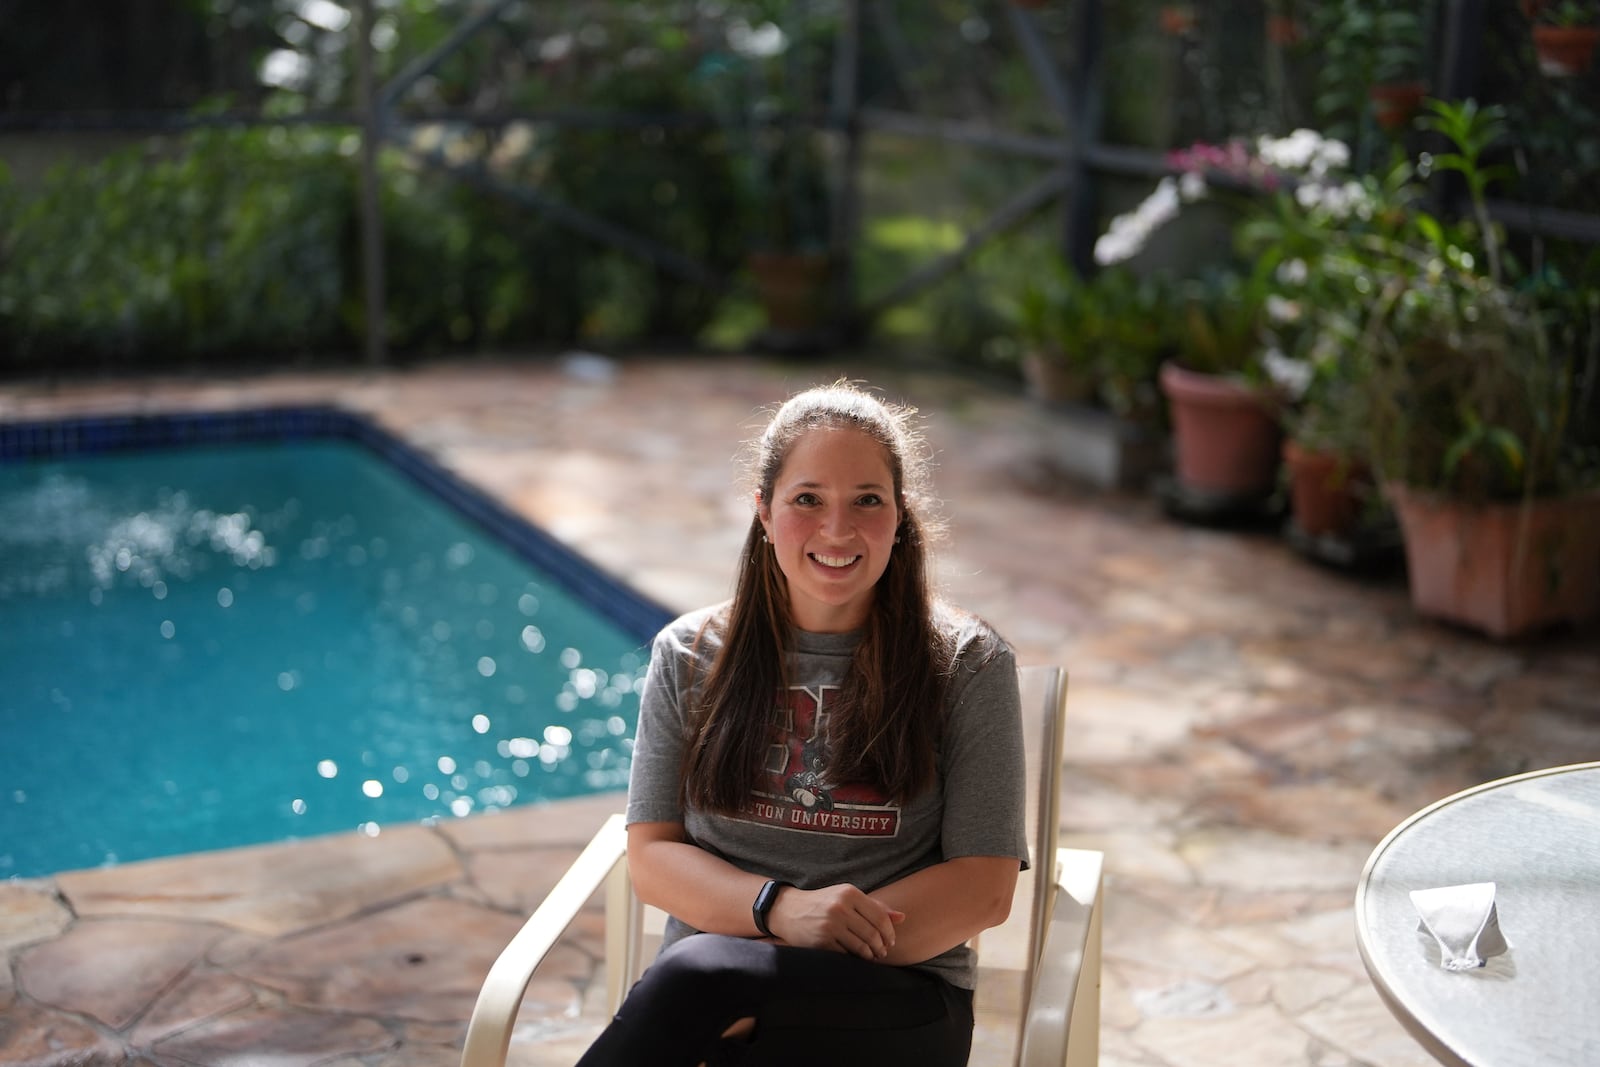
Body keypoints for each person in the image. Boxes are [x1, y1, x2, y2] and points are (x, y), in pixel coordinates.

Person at [576, 381, 1027, 1067]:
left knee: (702, 983)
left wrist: (814, 938)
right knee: (712, 995)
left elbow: (984, 887)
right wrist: (777, 908)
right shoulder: (690, 655)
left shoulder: (966, 664)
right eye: (807, 499)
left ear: (901, 515)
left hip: (894, 998)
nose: (838, 529)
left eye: (867, 500)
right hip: (708, 1003)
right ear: (764, 512)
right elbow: (653, 857)